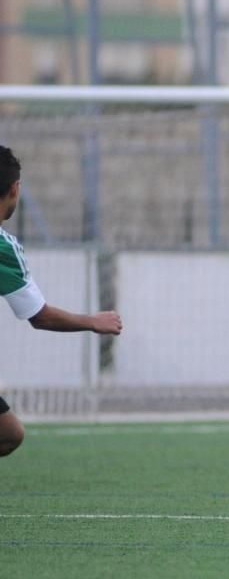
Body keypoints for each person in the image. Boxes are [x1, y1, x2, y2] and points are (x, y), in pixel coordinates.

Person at [0, 145, 123, 457]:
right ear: (15, 189)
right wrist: (93, 322)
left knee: (8, 432)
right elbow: (39, 316)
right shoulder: (4, 249)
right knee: (9, 434)